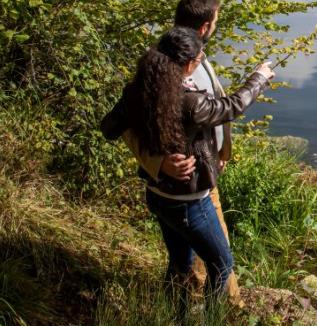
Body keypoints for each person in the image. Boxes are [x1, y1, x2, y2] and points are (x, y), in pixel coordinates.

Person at [101, 27, 275, 310]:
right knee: (222, 264)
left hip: (157, 196)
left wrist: (155, 161)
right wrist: (259, 78)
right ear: (187, 64)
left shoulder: (139, 89)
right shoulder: (191, 102)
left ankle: (178, 321)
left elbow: (110, 127)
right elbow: (231, 107)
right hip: (189, 204)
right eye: (199, 56)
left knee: (180, 264)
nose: (203, 57)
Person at [126, 0, 242, 302]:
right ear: (205, 26)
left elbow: (206, 116)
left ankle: (178, 323)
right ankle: (220, 323)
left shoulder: (193, 56)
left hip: (199, 177)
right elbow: (124, 124)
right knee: (219, 261)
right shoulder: (167, 63)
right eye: (216, 20)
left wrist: (220, 154)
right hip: (186, 190)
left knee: (186, 261)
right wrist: (158, 162)